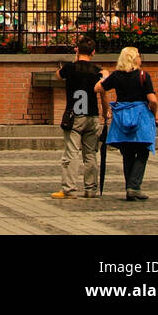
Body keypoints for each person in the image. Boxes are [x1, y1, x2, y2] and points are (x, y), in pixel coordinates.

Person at [96, 46, 158, 201]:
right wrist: (156, 113)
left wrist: (105, 78)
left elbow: (98, 88)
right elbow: (152, 99)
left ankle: (129, 187)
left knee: (128, 153)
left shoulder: (116, 76)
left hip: (122, 116)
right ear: (133, 58)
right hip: (140, 116)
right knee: (143, 150)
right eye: (138, 55)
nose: (140, 58)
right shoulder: (143, 75)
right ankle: (134, 186)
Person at [52, 35, 103, 200]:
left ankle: (69, 188)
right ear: (93, 52)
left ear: (77, 50)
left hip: (74, 115)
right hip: (92, 115)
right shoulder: (97, 71)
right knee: (90, 154)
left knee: (72, 152)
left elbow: (57, 75)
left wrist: (75, 59)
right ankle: (91, 188)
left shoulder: (70, 68)